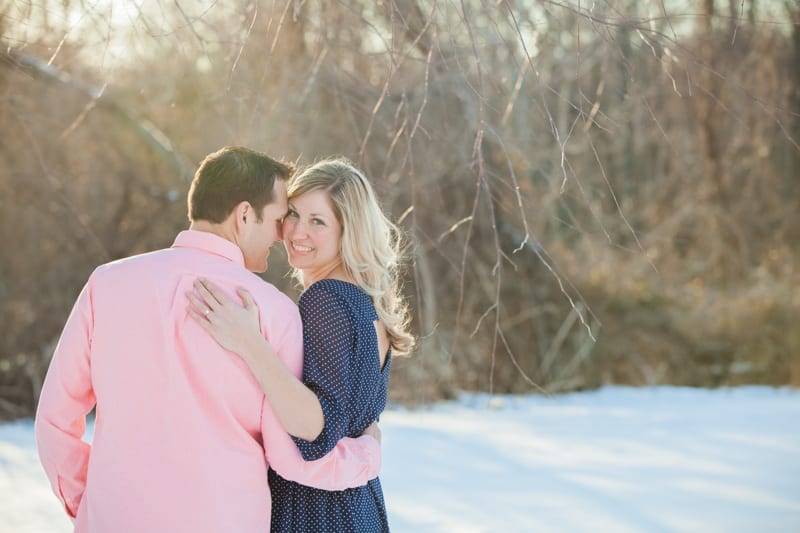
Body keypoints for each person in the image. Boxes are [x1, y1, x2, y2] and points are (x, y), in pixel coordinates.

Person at [34, 147, 382, 533]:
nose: (283, 234)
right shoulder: (272, 310)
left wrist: (89, 504)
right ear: (245, 215)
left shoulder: (106, 284)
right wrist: (366, 455)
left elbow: (54, 420)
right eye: (280, 219)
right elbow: (293, 458)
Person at [187, 158, 415, 532]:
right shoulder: (363, 302)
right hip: (357, 507)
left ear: (348, 231)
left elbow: (316, 431)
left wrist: (249, 343)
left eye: (318, 221)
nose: (295, 232)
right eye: (292, 214)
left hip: (316, 512)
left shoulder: (326, 300)